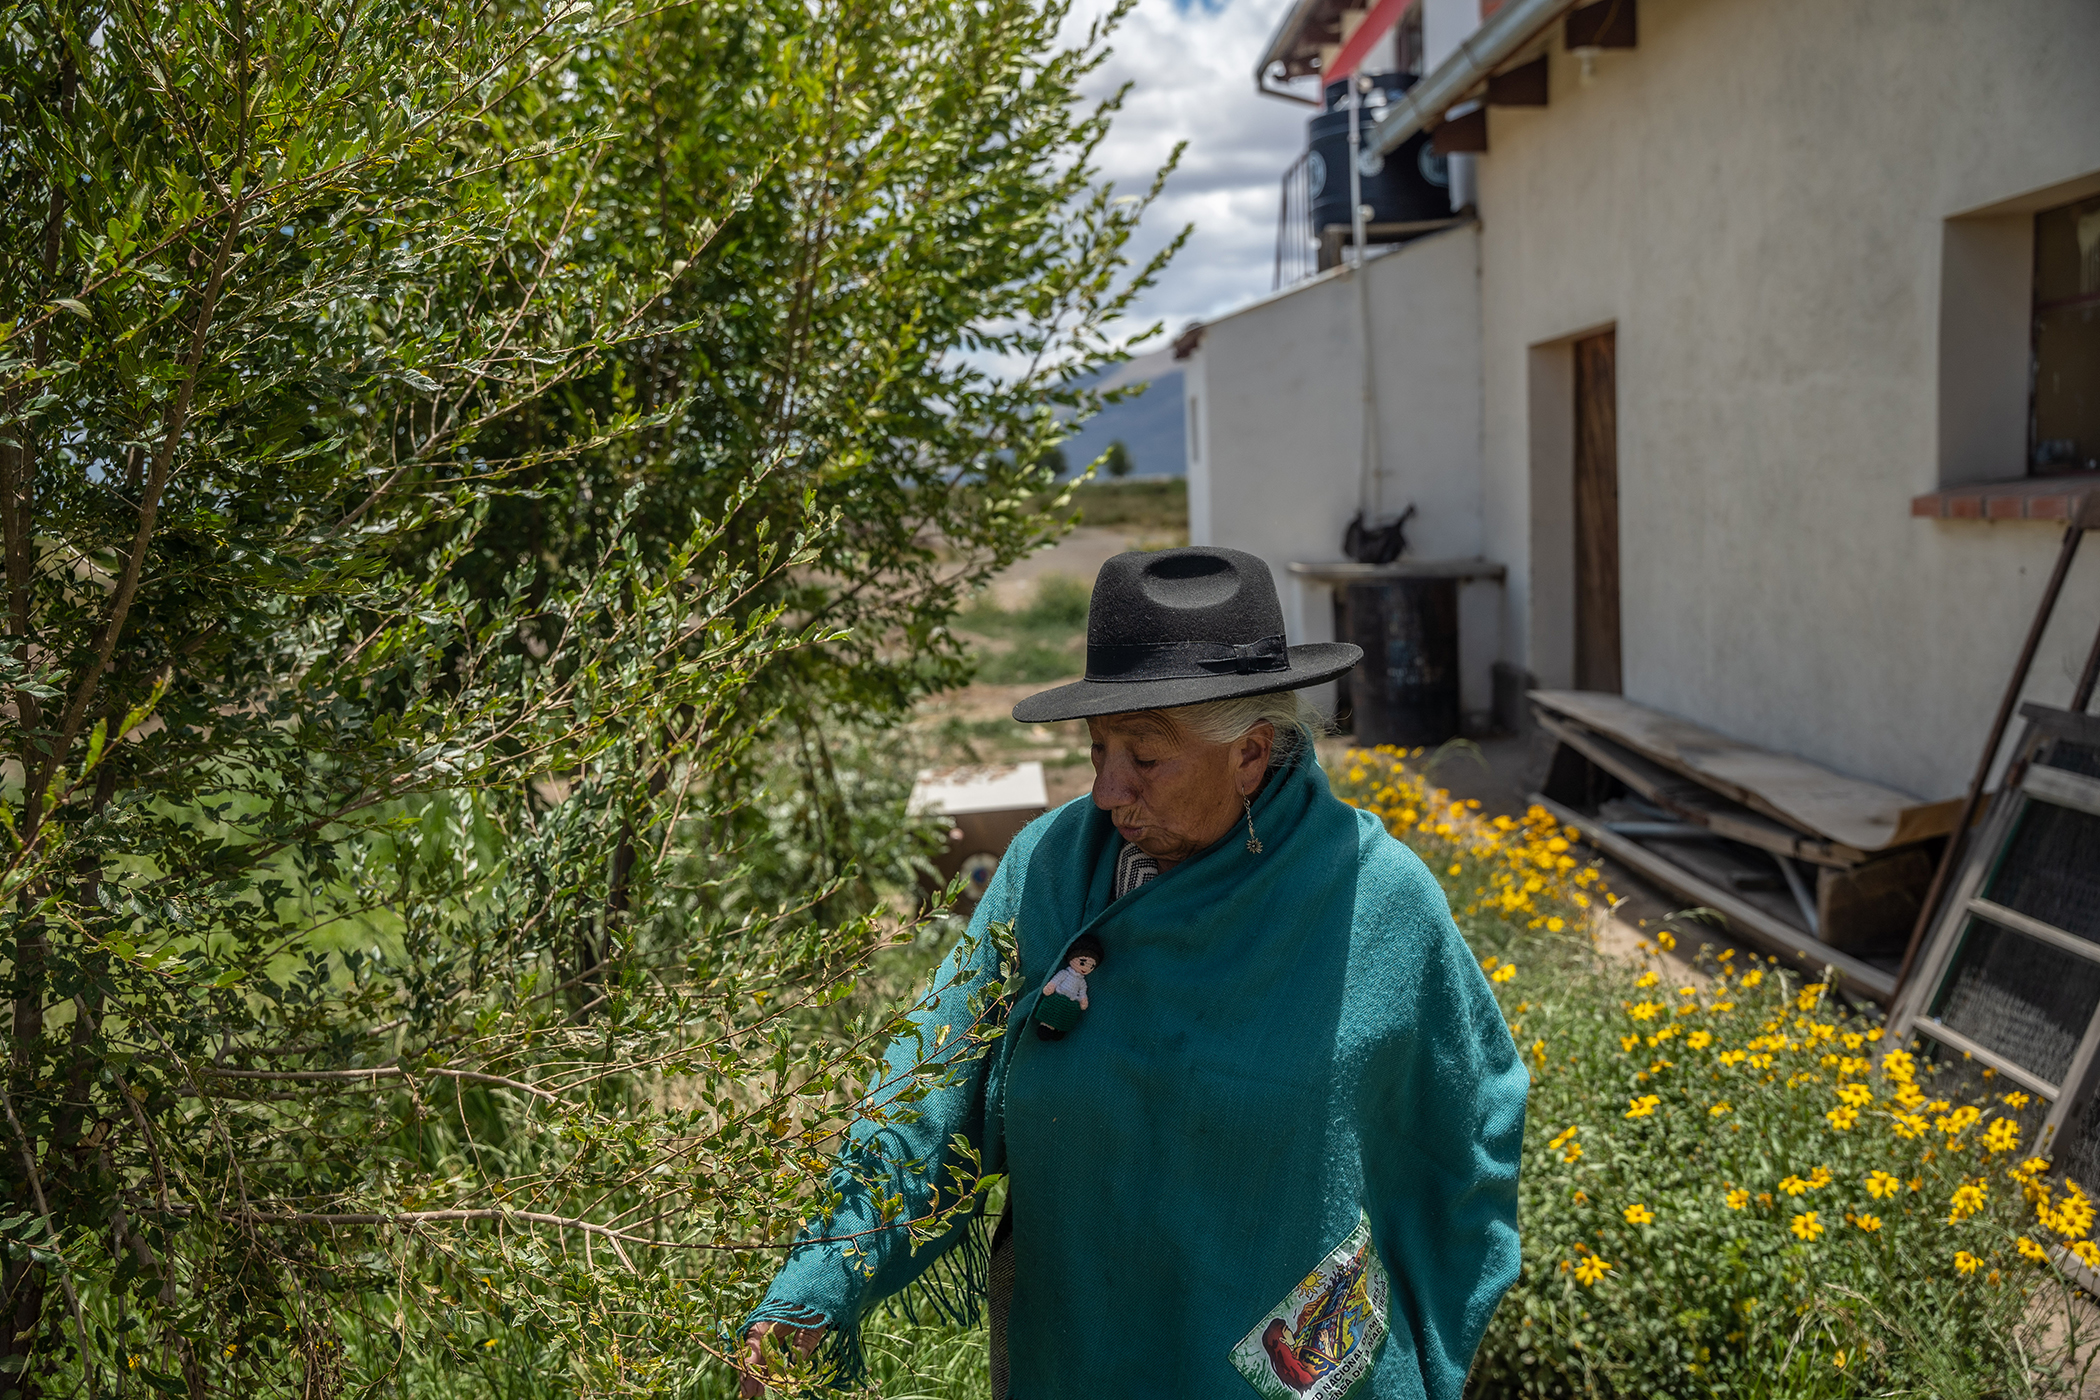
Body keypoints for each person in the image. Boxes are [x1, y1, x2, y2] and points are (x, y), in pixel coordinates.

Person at [741, 546, 1526, 1399]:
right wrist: (815, 1288)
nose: (1110, 790)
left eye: (1145, 758)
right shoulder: (1052, 868)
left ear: (1252, 754)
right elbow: (931, 1079)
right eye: (1097, 748)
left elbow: (1466, 1131)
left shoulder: (1375, 900)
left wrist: (1410, 1345)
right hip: (1077, 1350)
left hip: (1281, 1373)